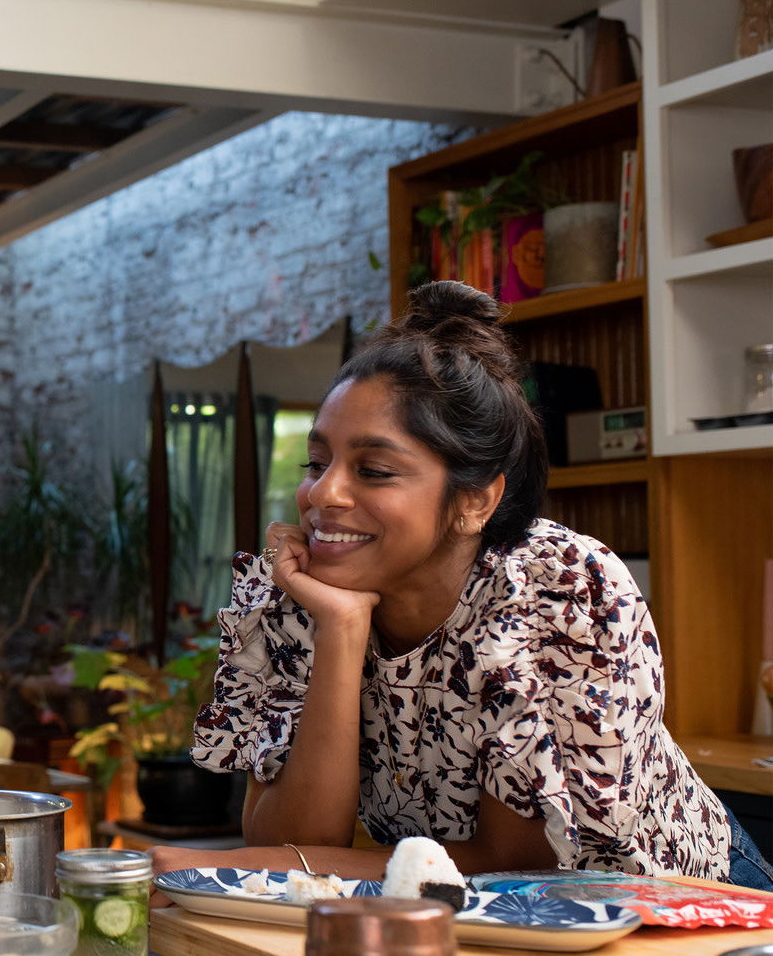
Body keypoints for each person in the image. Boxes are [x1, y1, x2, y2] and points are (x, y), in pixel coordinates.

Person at [152, 281, 773, 891]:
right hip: (474, 922)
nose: (322, 494)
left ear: (475, 500)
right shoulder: (300, 596)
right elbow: (291, 839)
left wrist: (246, 869)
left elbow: (516, 866)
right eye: (317, 463)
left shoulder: (559, 592)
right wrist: (342, 629)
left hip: (681, 906)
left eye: (373, 469)